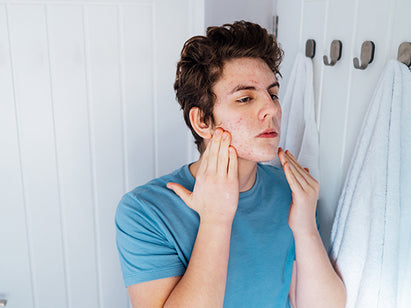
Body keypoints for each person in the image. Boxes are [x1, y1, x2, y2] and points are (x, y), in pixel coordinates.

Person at [115, 21, 346, 307]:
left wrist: (305, 226)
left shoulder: (289, 192)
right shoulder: (146, 210)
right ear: (202, 121)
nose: (272, 109)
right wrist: (215, 220)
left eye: (273, 94)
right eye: (245, 98)